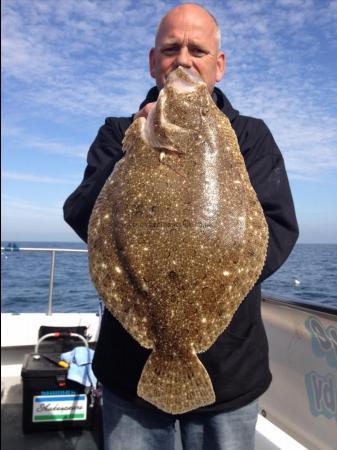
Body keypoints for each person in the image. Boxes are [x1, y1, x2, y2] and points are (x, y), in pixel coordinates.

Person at [63, 4, 299, 449]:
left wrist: (212, 281)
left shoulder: (250, 137)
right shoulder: (118, 133)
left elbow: (279, 227)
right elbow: (83, 215)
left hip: (230, 376)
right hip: (129, 374)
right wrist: (132, 154)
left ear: (219, 64)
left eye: (197, 49)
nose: (184, 59)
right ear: (154, 61)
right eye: (171, 49)